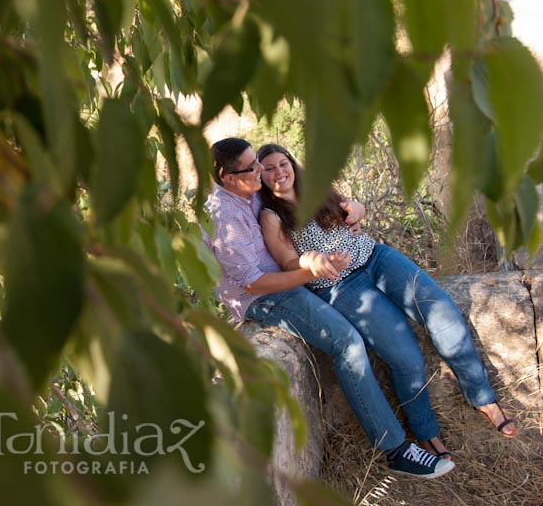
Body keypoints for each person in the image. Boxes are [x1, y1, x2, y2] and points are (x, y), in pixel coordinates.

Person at [203, 137, 454, 479]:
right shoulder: (226, 217)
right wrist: (310, 272)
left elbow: (303, 198)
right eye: (253, 166)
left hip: (288, 279)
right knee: (347, 343)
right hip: (263, 298)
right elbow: (253, 283)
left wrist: (355, 212)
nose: (262, 170)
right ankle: (393, 449)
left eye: (258, 162)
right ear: (228, 178)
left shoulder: (250, 187)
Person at [255, 142, 518, 460]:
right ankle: (426, 431)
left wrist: (359, 209)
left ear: (292, 164)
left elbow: (353, 209)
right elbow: (287, 263)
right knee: (406, 358)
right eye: (268, 168)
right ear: (261, 174)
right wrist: (312, 260)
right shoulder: (271, 216)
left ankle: (482, 397)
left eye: (282, 163)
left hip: (376, 258)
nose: (278, 172)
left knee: (441, 311)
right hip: (341, 287)